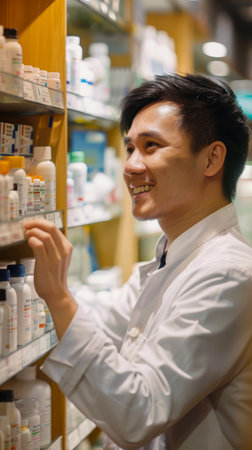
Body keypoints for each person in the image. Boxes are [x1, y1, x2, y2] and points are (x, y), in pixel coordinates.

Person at [24, 73, 252, 449]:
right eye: (130, 148)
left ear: (212, 158)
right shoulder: (173, 255)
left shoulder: (228, 274)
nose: (131, 166)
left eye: (151, 146)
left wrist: (60, 297)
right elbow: (102, 325)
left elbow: (138, 412)